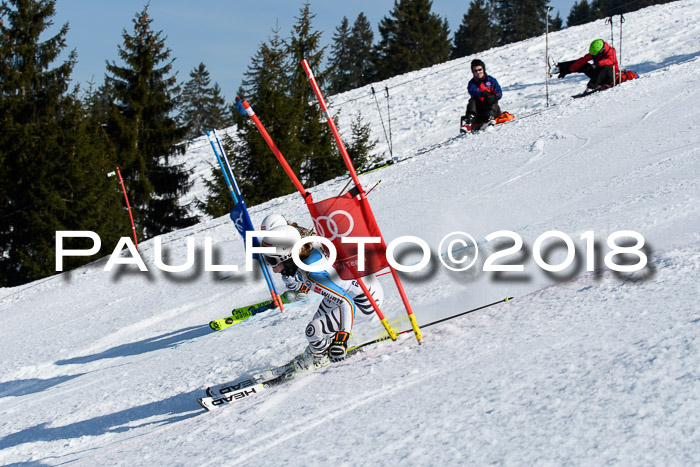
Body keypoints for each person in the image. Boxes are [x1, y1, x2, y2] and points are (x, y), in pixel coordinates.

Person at [261, 224, 384, 369]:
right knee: (318, 327)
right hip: (355, 289)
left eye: (273, 261)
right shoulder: (305, 244)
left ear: (288, 256)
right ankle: (316, 351)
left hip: (364, 301)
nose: (274, 270)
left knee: (313, 331)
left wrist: (341, 339)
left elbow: (346, 302)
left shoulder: (311, 273)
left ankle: (318, 357)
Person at [551, 39, 619, 94]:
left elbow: (611, 61)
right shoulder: (595, 52)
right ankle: (559, 68)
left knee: (605, 67)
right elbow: (582, 61)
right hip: (598, 76)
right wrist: (568, 70)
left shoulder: (611, 51)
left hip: (610, 77)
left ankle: (591, 87)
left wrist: (598, 64)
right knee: (584, 65)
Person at [461, 59, 503, 132]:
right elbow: (472, 91)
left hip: (491, 108)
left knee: (491, 99)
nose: (478, 72)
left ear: (483, 69)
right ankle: (468, 121)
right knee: (473, 101)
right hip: (479, 111)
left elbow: (499, 92)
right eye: (475, 71)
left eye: (479, 70)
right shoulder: (472, 83)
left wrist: (494, 96)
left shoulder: (491, 80)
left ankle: (489, 118)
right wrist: (483, 93)